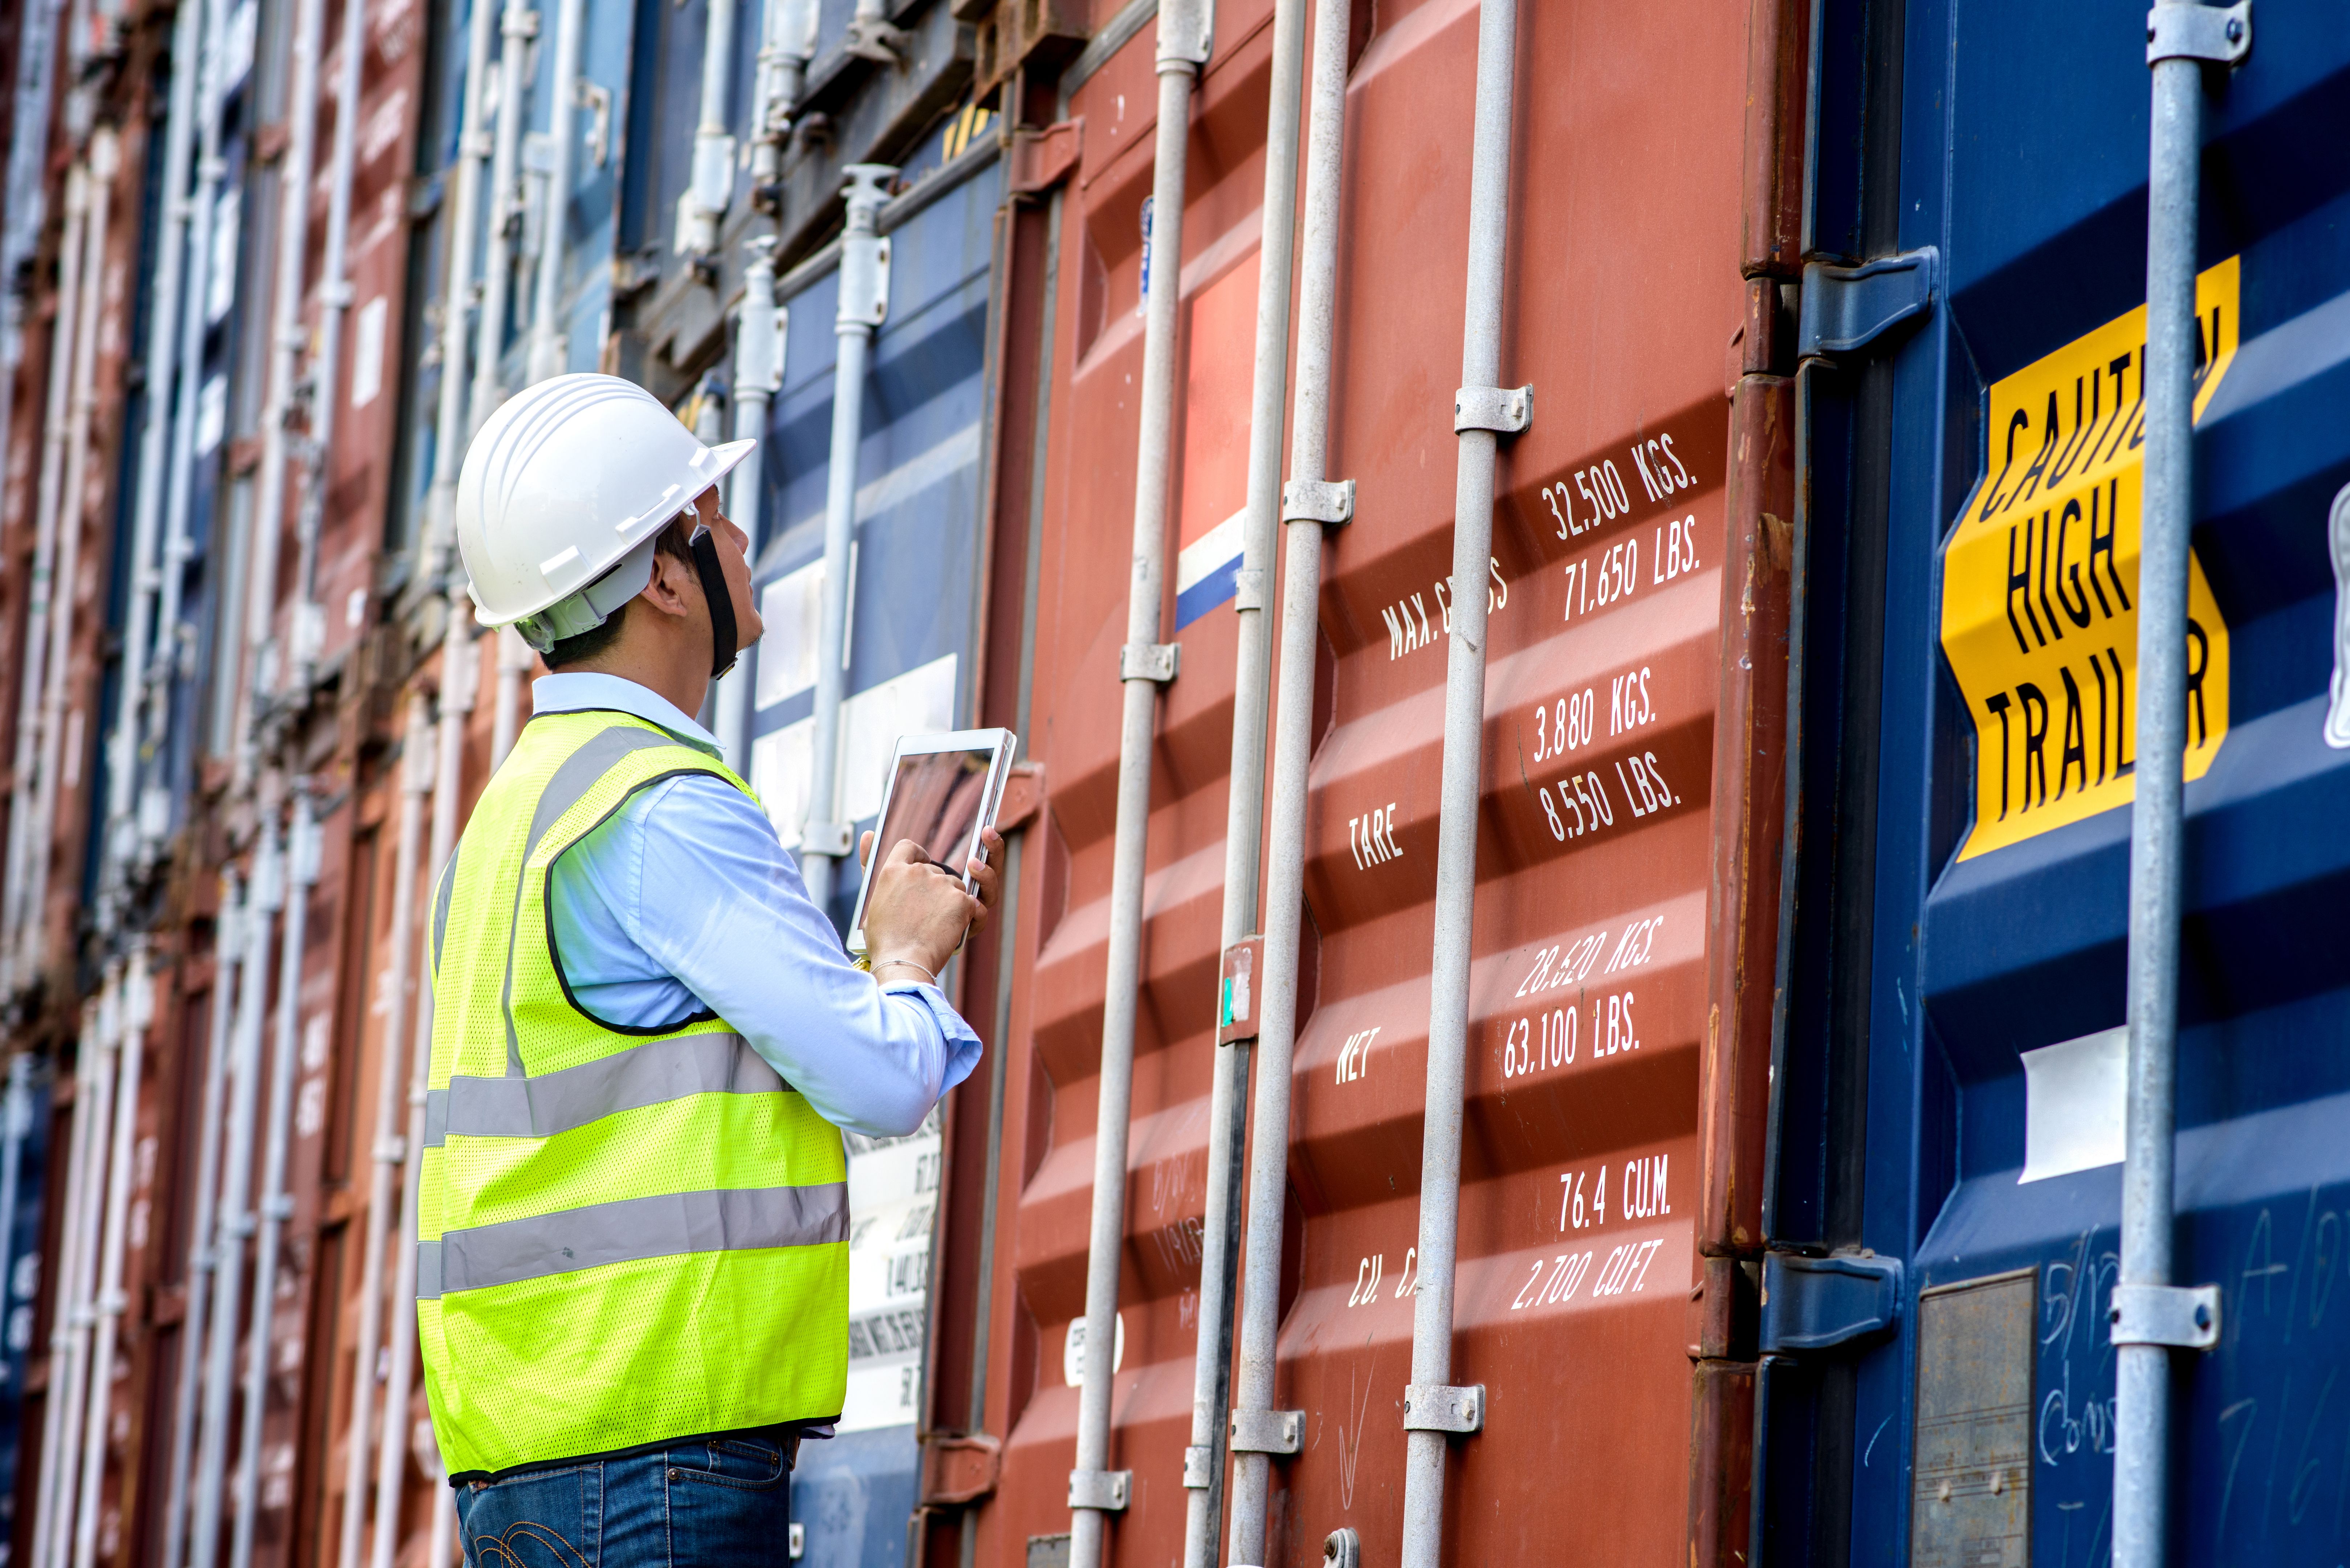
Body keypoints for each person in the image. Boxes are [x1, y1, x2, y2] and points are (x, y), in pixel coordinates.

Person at [420, 372, 998, 1565]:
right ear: (667, 576)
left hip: (527, 1456)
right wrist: (902, 960)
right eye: (715, 513)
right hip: (657, 1460)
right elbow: (882, 1081)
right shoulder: (662, 806)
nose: (741, 536)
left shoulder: (513, 816)